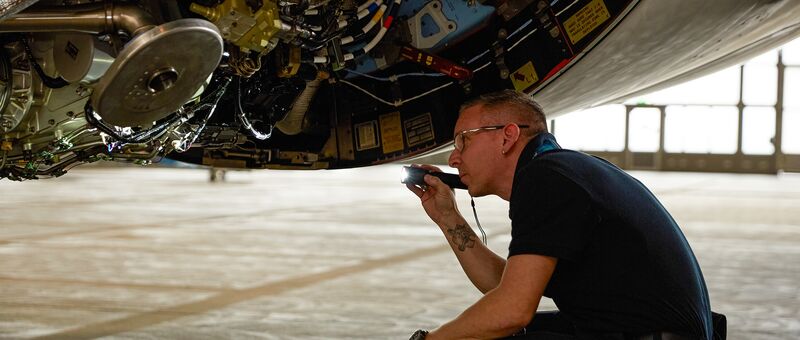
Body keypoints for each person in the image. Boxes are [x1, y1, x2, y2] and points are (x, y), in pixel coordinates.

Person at [405, 90, 714, 340]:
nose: (453, 157)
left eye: (464, 140)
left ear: (507, 137)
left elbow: (512, 310)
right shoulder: (561, 169)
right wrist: (449, 218)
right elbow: (505, 289)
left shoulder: (547, 179)